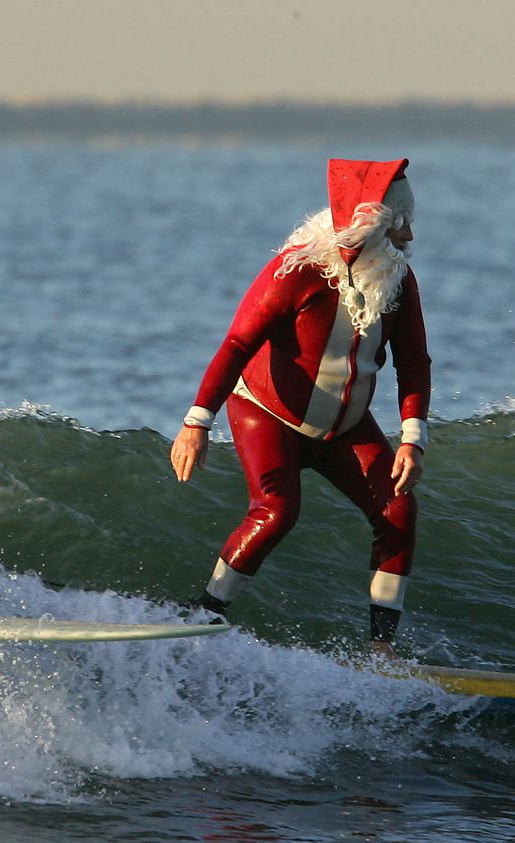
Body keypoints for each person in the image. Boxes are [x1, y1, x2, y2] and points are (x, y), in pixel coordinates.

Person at [169, 158, 432, 657]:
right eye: (401, 225)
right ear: (373, 227)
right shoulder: (297, 270)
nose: (409, 235)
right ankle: (202, 615)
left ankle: (381, 648)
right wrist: (196, 422)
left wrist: (412, 440)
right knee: (276, 511)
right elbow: (236, 345)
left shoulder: (399, 281)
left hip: (345, 426)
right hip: (268, 415)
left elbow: (414, 363)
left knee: (397, 509)